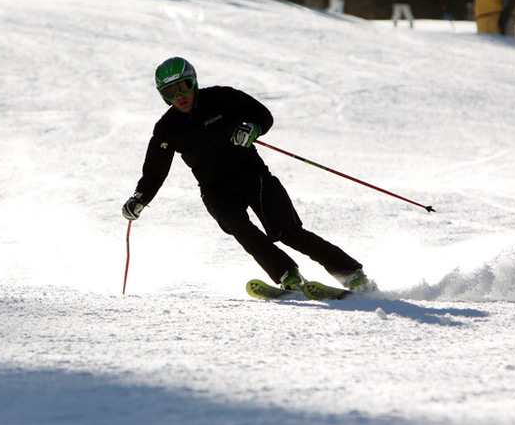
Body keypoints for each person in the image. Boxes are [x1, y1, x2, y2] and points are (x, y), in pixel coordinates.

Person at [122, 57, 372, 292]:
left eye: (183, 86)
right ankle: (288, 276)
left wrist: (252, 128)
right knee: (241, 229)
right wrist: (140, 198)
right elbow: (155, 171)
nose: (179, 96)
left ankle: (351, 274)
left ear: (194, 82)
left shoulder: (222, 97)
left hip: (254, 177)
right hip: (215, 190)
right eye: (169, 92)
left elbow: (262, 115)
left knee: (288, 232)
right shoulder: (167, 128)